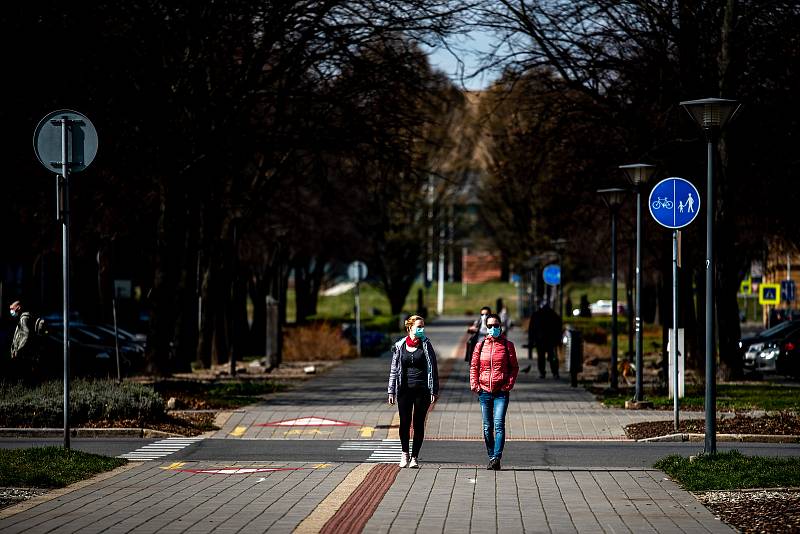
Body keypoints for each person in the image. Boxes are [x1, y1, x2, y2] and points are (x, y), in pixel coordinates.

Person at [387, 315, 439, 468]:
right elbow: (394, 369)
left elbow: (433, 368)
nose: (422, 330)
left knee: (418, 423)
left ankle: (415, 457)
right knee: (404, 422)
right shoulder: (400, 345)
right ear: (410, 327)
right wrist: (391, 391)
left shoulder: (426, 345)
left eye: (423, 327)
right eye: (419, 327)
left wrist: (433, 390)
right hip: (404, 390)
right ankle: (404, 453)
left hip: (422, 390)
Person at [470, 313, 519, 470]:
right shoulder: (480, 345)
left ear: (500, 327)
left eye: (495, 325)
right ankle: (491, 456)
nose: (493, 328)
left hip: (501, 392)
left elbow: (514, 368)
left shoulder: (507, 345)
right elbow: (474, 367)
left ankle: (497, 457)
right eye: (489, 326)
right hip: (484, 391)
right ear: (486, 327)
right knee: (487, 426)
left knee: (498, 424)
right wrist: (475, 385)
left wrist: (508, 384)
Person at [9, 301, 43, 381]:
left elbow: (25, 335)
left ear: (19, 308)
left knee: (24, 375)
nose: (11, 311)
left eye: (12, 309)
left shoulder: (24, 319)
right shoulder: (25, 317)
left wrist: (18, 350)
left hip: (24, 354)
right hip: (27, 353)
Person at [531, 300, 562, 379]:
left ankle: (543, 372)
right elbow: (559, 328)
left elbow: (532, 329)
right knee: (552, 357)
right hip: (550, 340)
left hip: (541, 340)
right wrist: (558, 340)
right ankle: (554, 372)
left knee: (543, 357)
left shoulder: (536, 315)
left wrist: (532, 340)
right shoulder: (553, 314)